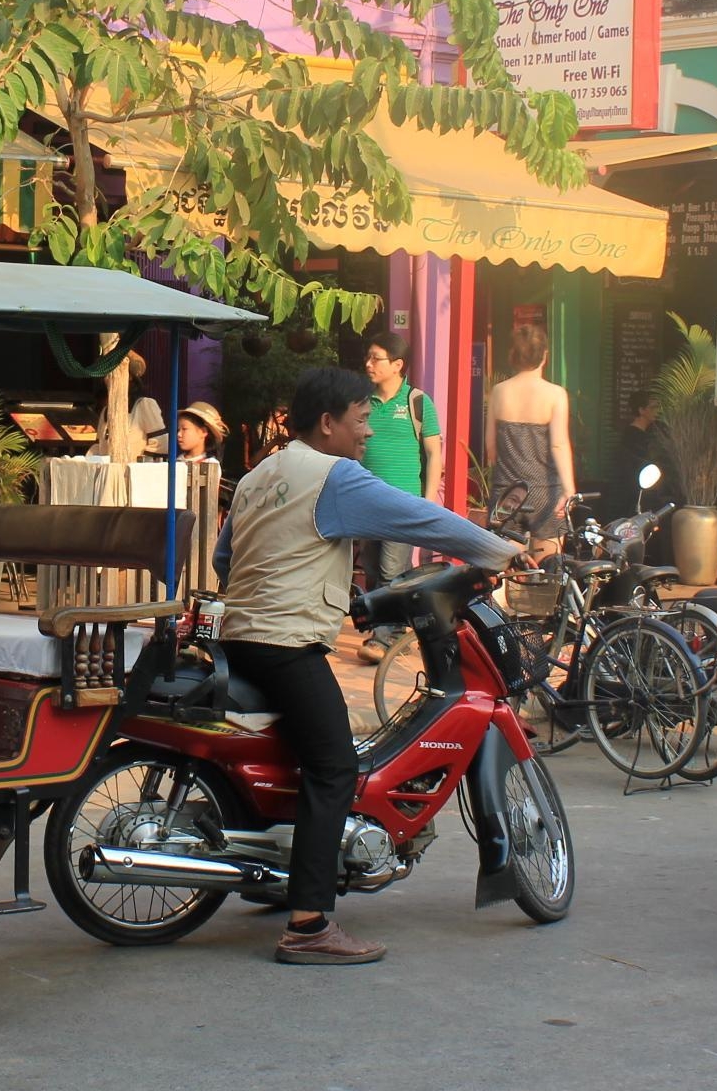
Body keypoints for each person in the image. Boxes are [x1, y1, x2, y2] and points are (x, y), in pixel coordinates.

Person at [214, 366, 523, 966]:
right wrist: (500, 551)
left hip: (241, 636)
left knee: (302, 754)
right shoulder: (335, 476)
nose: (367, 436)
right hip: (286, 642)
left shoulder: (259, 474)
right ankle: (307, 927)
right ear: (327, 423)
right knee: (334, 768)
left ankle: (285, 875)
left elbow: (227, 558)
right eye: (360, 422)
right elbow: (421, 519)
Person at [357, 333, 443, 661]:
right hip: (367, 502)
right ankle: (397, 627)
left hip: (403, 502)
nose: (368, 364)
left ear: (397, 365)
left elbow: (435, 453)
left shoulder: (417, 402)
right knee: (375, 570)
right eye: (368, 357)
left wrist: (427, 499)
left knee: (392, 569)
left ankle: (383, 638)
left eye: (375, 358)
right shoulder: (363, 400)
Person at [486, 324, 575, 555]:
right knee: (548, 573)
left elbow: (490, 446)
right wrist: (569, 490)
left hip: (507, 492)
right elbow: (559, 444)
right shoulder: (556, 394)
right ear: (544, 356)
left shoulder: (499, 391)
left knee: (500, 573)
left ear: (512, 356)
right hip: (546, 492)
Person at [101, 349, 168, 458]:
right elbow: (100, 447)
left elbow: (160, 444)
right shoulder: (106, 411)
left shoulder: (144, 405)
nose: (108, 377)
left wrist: (138, 469)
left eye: (113, 371)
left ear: (130, 376)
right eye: (106, 373)